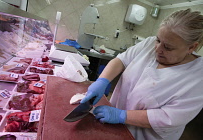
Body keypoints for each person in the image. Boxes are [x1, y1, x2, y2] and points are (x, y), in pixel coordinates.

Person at [80, 8, 203, 140]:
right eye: (158, 40)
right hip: (111, 127)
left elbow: (169, 117)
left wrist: (122, 116)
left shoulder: (197, 77)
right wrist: (102, 81)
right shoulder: (150, 44)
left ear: (191, 47)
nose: (158, 49)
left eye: (168, 47)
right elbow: (121, 60)